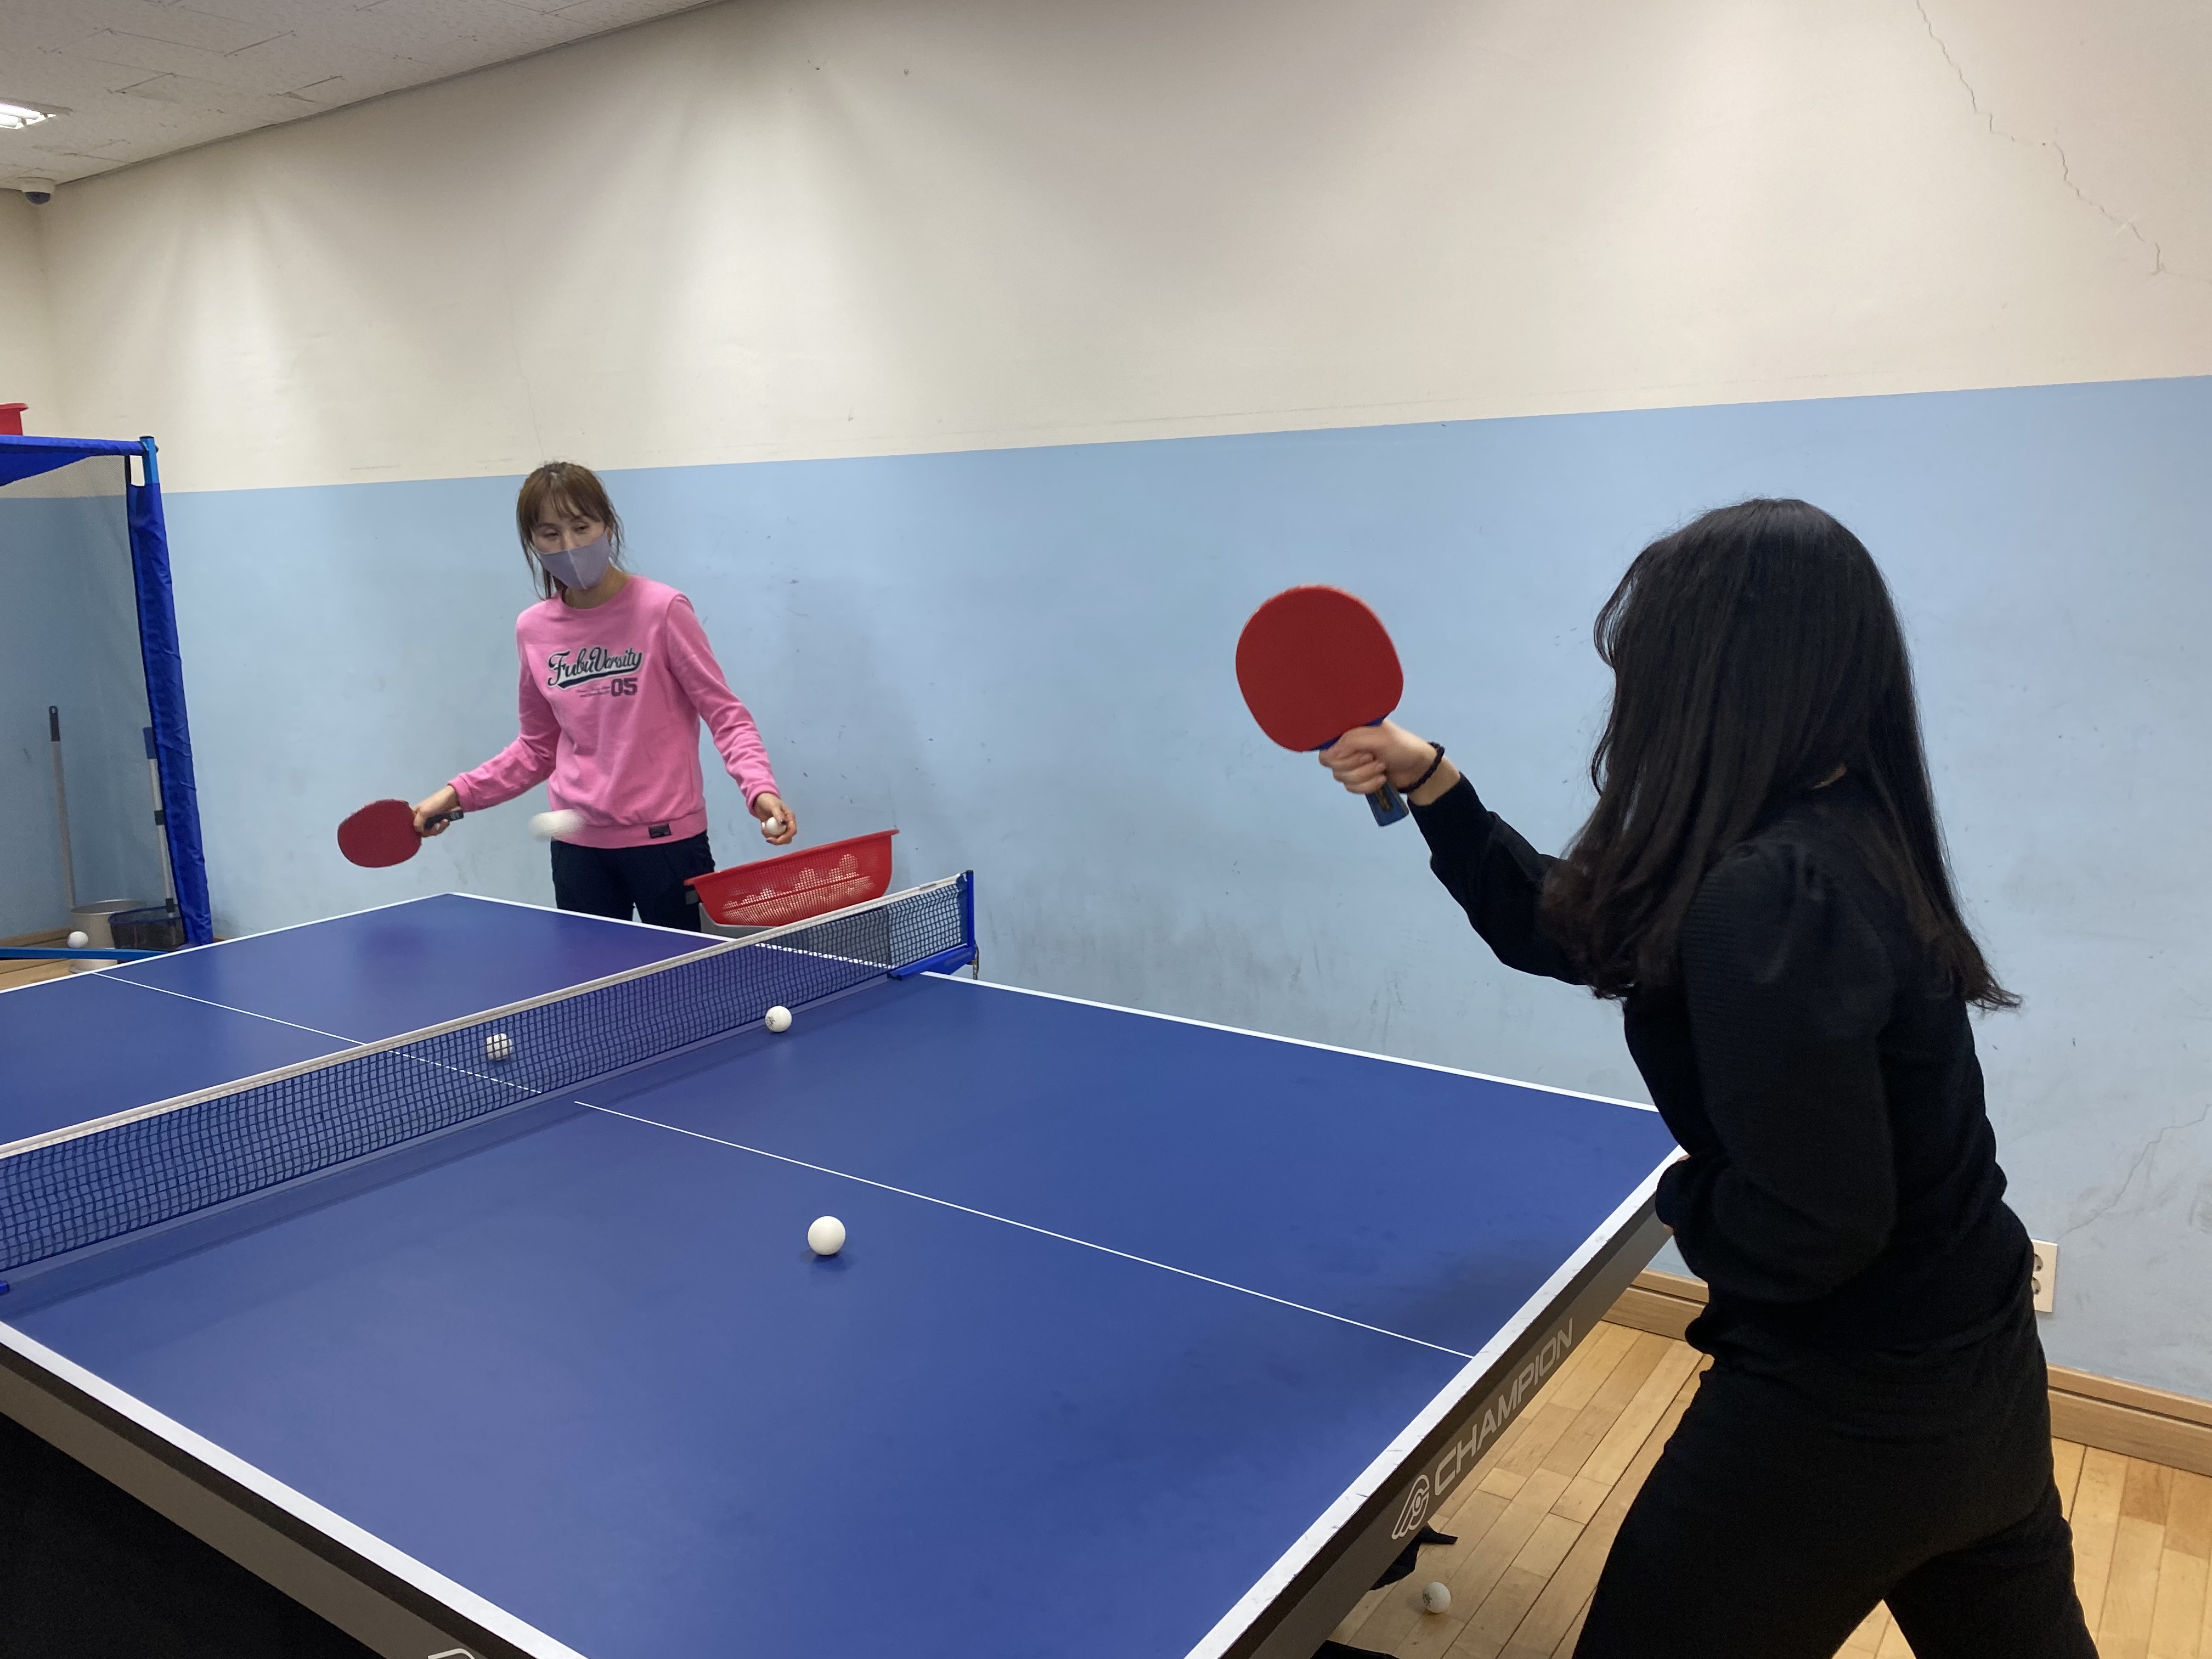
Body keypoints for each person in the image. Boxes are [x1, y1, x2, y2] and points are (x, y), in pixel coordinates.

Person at [1318, 499, 2094, 1658]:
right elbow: (1569, 924)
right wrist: (1434, 782)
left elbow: (1810, 1228)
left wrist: (1682, 1194)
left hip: (1843, 1412)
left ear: (1708, 680)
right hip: (1978, 1369)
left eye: (1643, 663)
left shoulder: (1766, 890)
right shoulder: (1839, 828)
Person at [414, 461, 795, 930]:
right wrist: (456, 795)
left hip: (668, 844)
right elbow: (536, 748)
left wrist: (759, 788)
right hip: (578, 847)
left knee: (688, 973)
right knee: (594, 976)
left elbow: (725, 715)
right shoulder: (534, 629)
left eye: (581, 527)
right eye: (550, 534)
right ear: (533, 543)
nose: (569, 546)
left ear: (608, 526)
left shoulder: (663, 610)